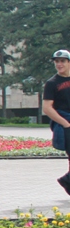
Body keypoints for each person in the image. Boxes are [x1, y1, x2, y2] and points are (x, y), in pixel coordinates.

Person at [45, 49, 70, 194]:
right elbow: (47, 108)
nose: (59, 64)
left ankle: (67, 180)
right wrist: (65, 123)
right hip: (65, 122)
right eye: (57, 61)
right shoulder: (52, 83)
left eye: (63, 61)